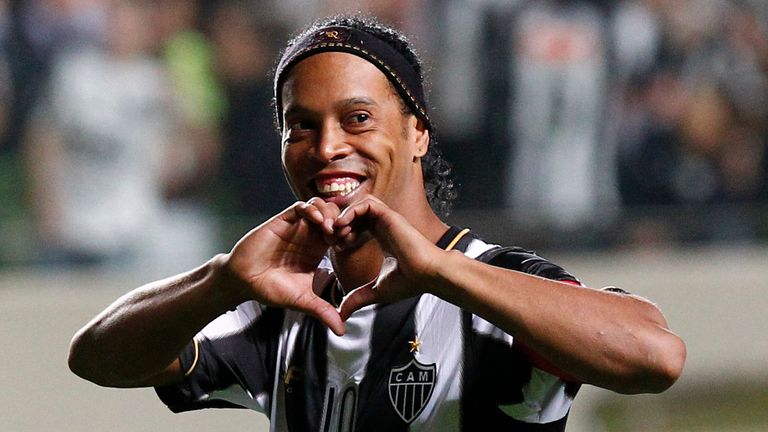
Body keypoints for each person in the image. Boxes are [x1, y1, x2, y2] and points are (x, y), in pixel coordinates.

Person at [68, 15, 686, 431]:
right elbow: (98, 361)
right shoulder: (284, 306)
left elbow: (655, 356)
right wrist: (223, 280)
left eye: (357, 118)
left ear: (417, 132)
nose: (326, 145)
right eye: (301, 125)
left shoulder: (492, 288)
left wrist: (440, 271)